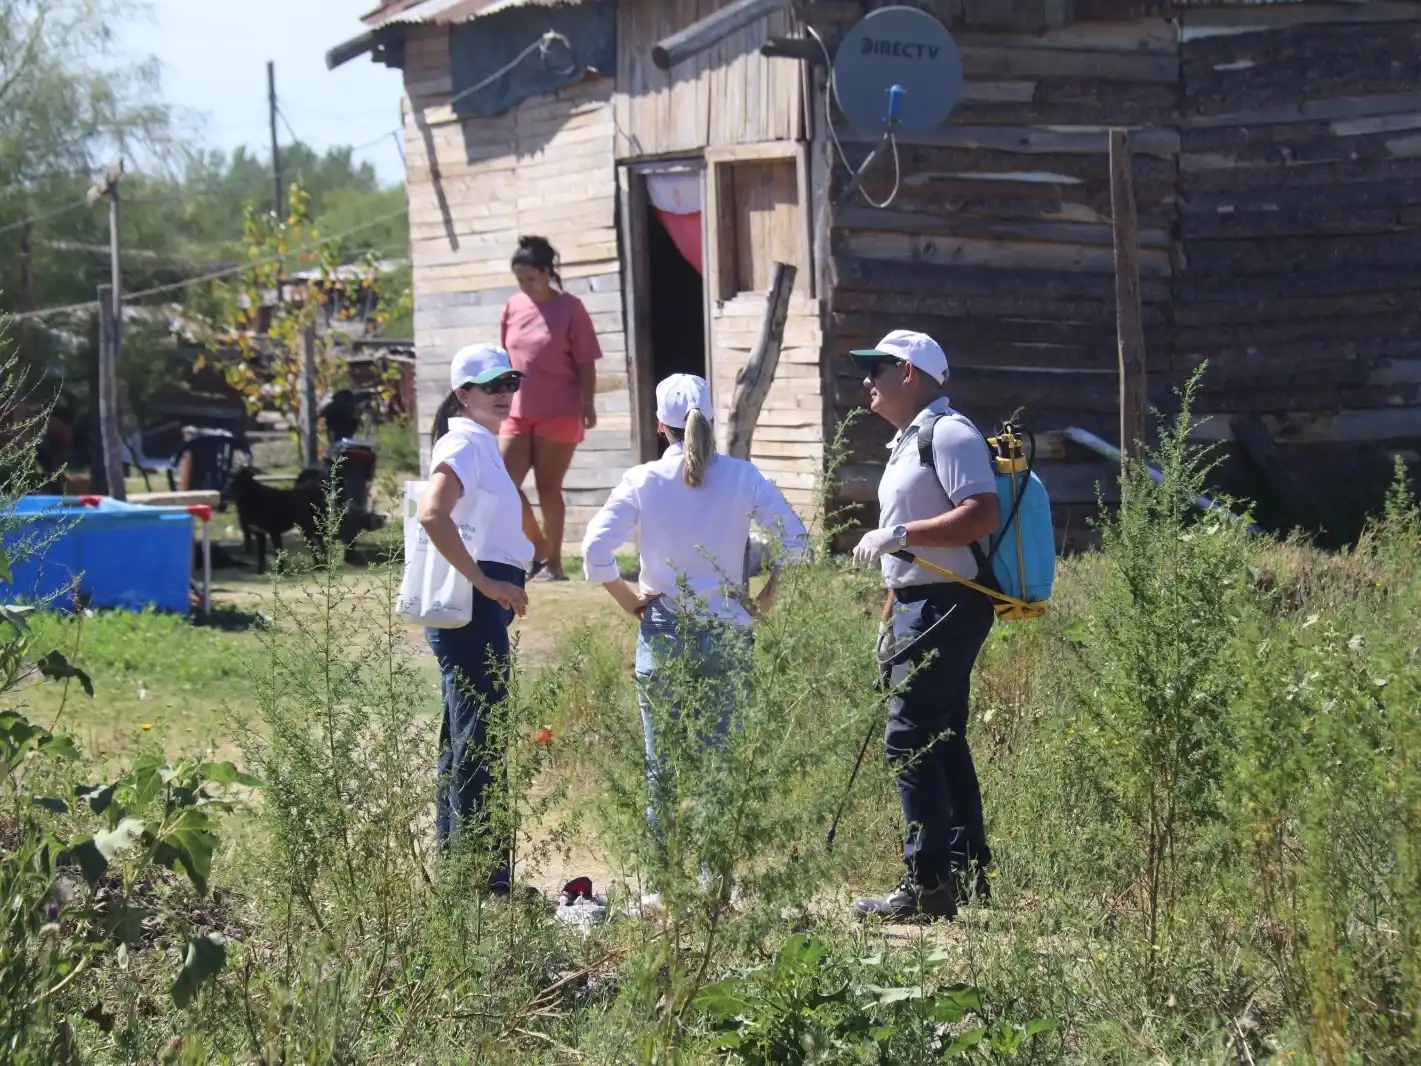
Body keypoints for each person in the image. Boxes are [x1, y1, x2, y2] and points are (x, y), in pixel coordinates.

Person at [580, 374, 810, 904]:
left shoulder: (642, 480)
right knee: (719, 763)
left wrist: (627, 599)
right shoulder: (743, 477)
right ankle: (713, 885)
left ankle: (661, 887)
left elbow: (596, 548)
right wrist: (764, 600)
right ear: (711, 419)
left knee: (662, 765)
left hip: (662, 631)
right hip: (729, 630)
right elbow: (796, 542)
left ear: (660, 426)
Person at [846, 330, 1001, 923]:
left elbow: (980, 515)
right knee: (941, 736)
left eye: (877, 368)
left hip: (948, 604)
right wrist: (891, 605)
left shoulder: (950, 432)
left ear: (908, 373)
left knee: (909, 737)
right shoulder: (908, 440)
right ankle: (964, 871)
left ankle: (928, 885)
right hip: (920, 603)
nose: (868, 380)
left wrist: (902, 537)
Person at [418, 342, 534, 897]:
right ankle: (483, 881)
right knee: (479, 739)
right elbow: (432, 513)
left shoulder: (479, 442)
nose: (505, 394)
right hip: (471, 606)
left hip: (477, 607)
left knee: (466, 737)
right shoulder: (463, 439)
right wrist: (484, 581)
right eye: (492, 386)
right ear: (464, 395)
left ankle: (463, 876)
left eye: (510, 382)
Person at [499, 235, 603, 582]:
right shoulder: (512, 307)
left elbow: (587, 361)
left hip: (560, 410)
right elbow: (504, 358)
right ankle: (539, 550)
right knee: (502, 483)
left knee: (548, 487)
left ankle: (554, 564)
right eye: (520, 280)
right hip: (516, 410)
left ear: (546, 273)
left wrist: (588, 402)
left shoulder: (571, 308)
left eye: (530, 278)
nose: (525, 286)